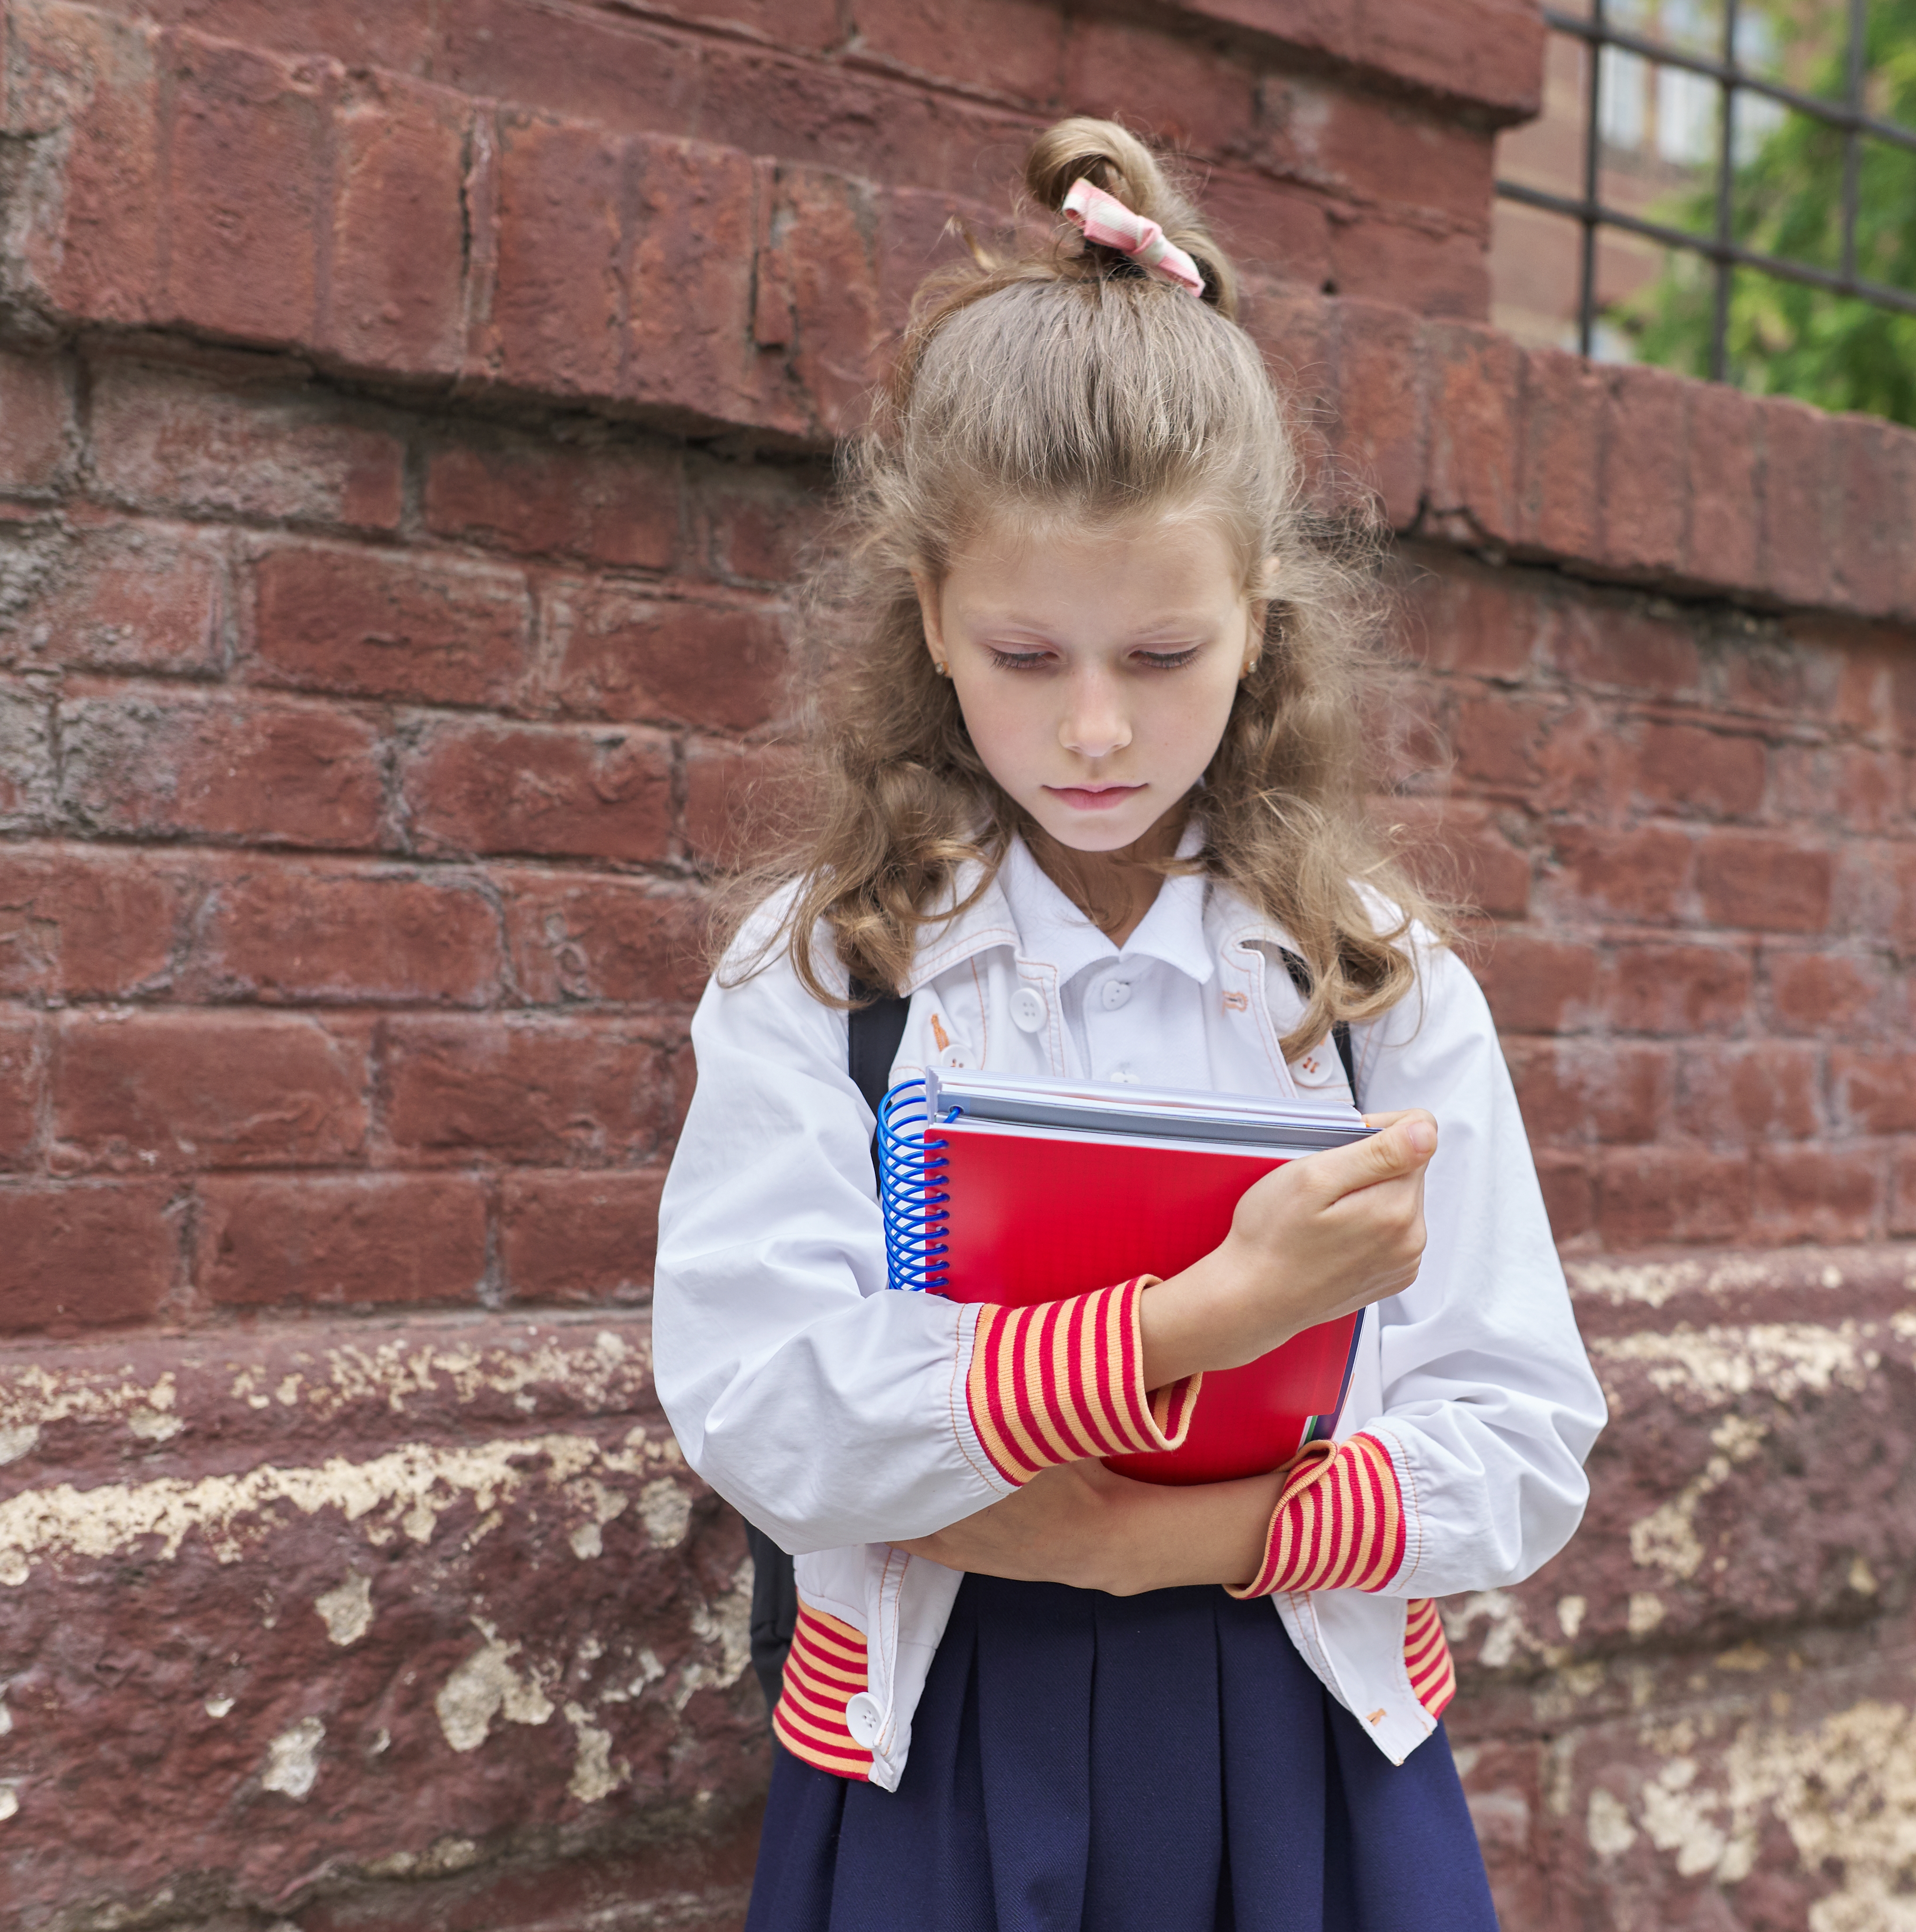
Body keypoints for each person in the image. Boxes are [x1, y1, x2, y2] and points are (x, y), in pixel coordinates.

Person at [652, 115, 1604, 1932]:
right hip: (939, 1734)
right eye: (1027, 657)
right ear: (930, 621)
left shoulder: (1373, 980)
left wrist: (1155, 1538)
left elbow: (1521, 1429)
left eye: (1160, 658)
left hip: (1304, 1719)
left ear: (1255, 625)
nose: (1095, 729)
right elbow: (761, 1402)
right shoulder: (832, 969)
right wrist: (1202, 1320)